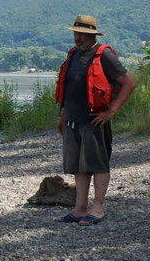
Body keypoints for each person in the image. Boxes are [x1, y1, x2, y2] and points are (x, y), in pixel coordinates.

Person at [52, 14, 136, 224]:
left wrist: (111, 112)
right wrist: (63, 117)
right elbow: (70, 89)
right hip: (72, 119)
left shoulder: (104, 55)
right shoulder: (73, 54)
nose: (78, 38)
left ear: (92, 35)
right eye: (76, 33)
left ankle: (97, 208)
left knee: (98, 165)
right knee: (78, 166)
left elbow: (129, 83)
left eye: (82, 34)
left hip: (95, 120)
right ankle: (80, 208)